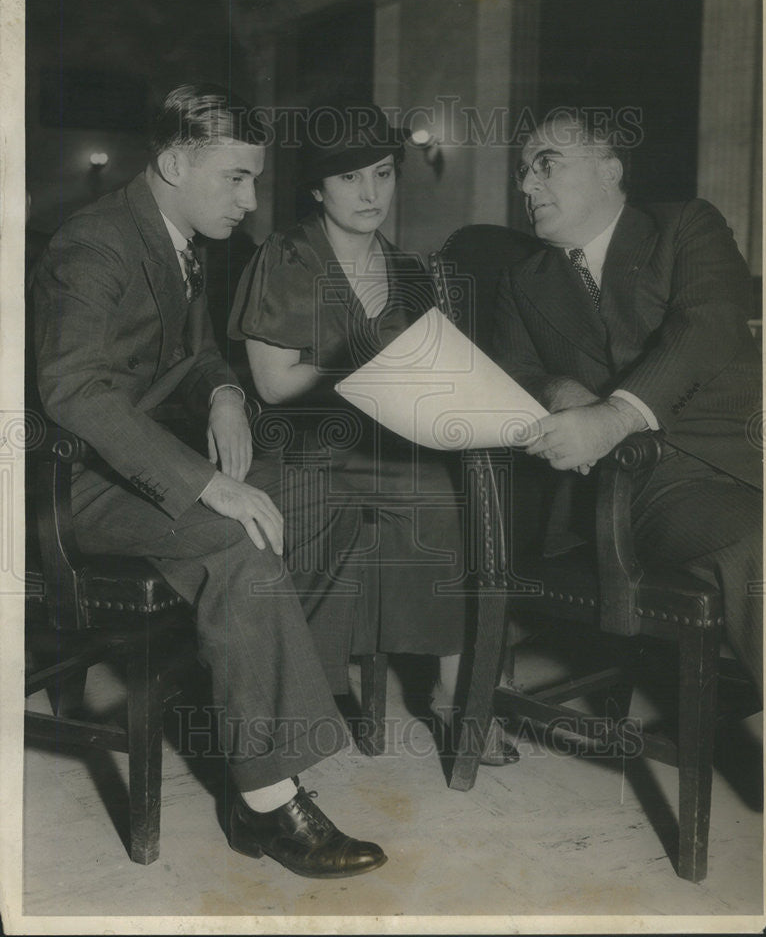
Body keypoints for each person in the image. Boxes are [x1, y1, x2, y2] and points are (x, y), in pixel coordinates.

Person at [32, 83, 389, 878]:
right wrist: (204, 485)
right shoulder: (93, 244)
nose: (250, 198)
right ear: (171, 163)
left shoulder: (175, 236)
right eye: (235, 178)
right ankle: (265, 803)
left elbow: (194, 355)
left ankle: (253, 708)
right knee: (238, 537)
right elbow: (72, 392)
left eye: (255, 179)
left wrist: (225, 393)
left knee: (325, 499)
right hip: (78, 483)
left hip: (146, 460)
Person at [228, 101, 516, 763]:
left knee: (455, 500)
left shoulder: (410, 272)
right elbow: (271, 384)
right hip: (301, 454)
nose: (369, 194)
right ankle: (308, 697)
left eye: (382, 175)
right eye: (351, 178)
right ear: (317, 187)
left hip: (383, 449)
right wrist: (368, 362)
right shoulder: (286, 256)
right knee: (404, 501)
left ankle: (454, 691)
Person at [493, 109, 762, 692]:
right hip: (647, 484)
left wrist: (615, 414)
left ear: (609, 170)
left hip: (754, 447)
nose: (526, 185)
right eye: (522, 173)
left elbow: (708, 324)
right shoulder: (523, 282)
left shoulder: (687, 225)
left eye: (546, 165)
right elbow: (513, 369)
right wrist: (562, 391)